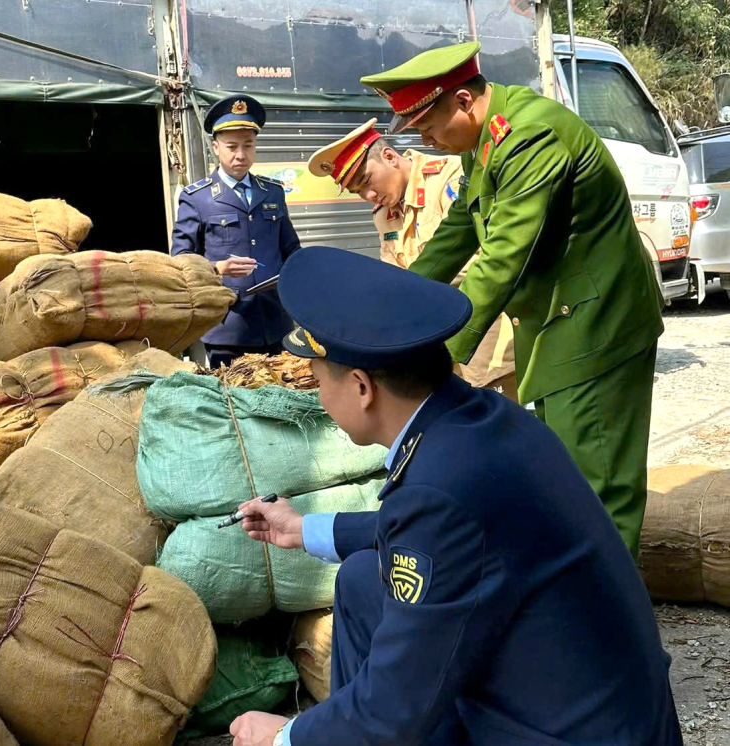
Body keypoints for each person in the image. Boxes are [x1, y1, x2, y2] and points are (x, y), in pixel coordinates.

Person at [228, 245, 682, 746]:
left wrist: (287, 736)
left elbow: (394, 707)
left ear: (361, 387)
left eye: (318, 381)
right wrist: (304, 528)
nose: (318, 396)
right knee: (362, 580)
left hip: (567, 733)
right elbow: (443, 540)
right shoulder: (479, 420)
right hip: (596, 695)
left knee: (372, 714)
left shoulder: (440, 488)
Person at [358, 41, 664, 558]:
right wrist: (386, 313)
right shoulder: (484, 143)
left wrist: (437, 353)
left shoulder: (528, 135)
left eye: (429, 127)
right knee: (561, 487)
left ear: (462, 101)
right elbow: (456, 236)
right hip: (557, 330)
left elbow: (503, 254)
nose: (427, 142)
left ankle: (613, 632)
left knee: (598, 492)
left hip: (597, 328)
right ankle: (574, 614)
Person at [307, 120, 516, 398]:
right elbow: (394, 274)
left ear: (390, 157)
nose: (369, 196)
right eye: (358, 192)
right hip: (436, 353)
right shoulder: (384, 213)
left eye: (367, 181)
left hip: (487, 346)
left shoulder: (449, 179)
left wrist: (409, 292)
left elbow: (479, 260)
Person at [171, 94, 301, 369]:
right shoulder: (197, 198)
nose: (240, 155)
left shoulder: (273, 192)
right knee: (235, 403)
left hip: (276, 322)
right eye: (231, 146)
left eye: (248, 145)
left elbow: (291, 250)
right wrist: (218, 268)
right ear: (216, 147)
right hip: (228, 327)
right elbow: (181, 260)